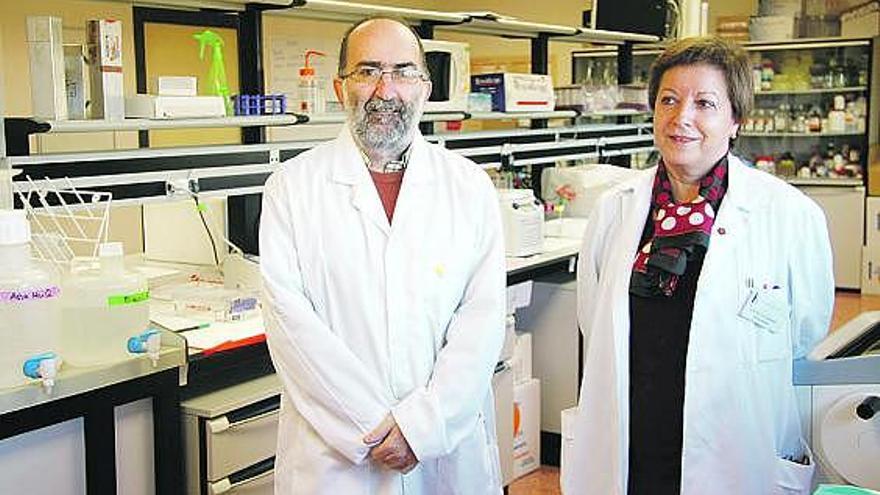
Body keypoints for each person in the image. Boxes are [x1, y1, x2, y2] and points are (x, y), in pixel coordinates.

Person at [561, 37, 834, 495]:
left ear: (735, 121)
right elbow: (594, 317)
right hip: (633, 436)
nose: (681, 117)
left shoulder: (789, 215)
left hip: (734, 445)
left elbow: (806, 330)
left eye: (704, 103)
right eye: (668, 100)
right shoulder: (616, 209)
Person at [259, 16, 506, 495]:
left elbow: (482, 319)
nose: (385, 89)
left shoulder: (469, 187)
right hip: (338, 459)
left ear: (425, 87)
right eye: (367, 71)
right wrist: (371, 427)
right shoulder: (292, 189)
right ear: (340, 86)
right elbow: (290, 324)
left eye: (403, 72)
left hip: (443, 452)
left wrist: (423, 427)